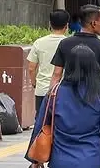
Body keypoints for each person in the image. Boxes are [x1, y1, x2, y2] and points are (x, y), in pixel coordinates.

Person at [51, 4, 100, 105]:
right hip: (93, 98)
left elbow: (56, 74)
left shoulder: (65, 43)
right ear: (94, 23)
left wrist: (51, 99)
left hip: (67, 99)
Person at [27, 9, 70, 154]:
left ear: (50, 24)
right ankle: (57, 158)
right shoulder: (69, 43)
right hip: (64, 91)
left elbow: (31, 68)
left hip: (42, 90)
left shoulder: (39, 42)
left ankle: (37, 156)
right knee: (61, 125)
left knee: (42, 125)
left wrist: (34, 83)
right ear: (67, 26)